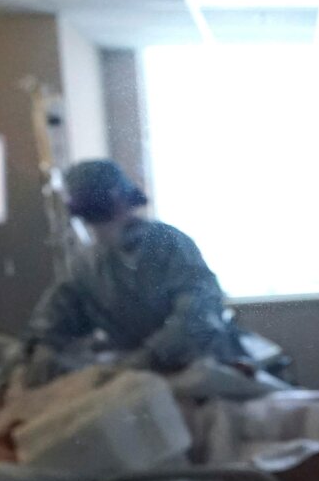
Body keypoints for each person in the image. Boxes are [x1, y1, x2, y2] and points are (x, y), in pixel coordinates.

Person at [20, 160, 245, 385]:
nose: (99, 228)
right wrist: (42, 346)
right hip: (138, 375)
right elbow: (59, 309)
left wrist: (150, 356)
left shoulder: (169, 244)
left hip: (201, 364)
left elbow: (198, 312)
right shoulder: (89, 264)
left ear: (120, 200)